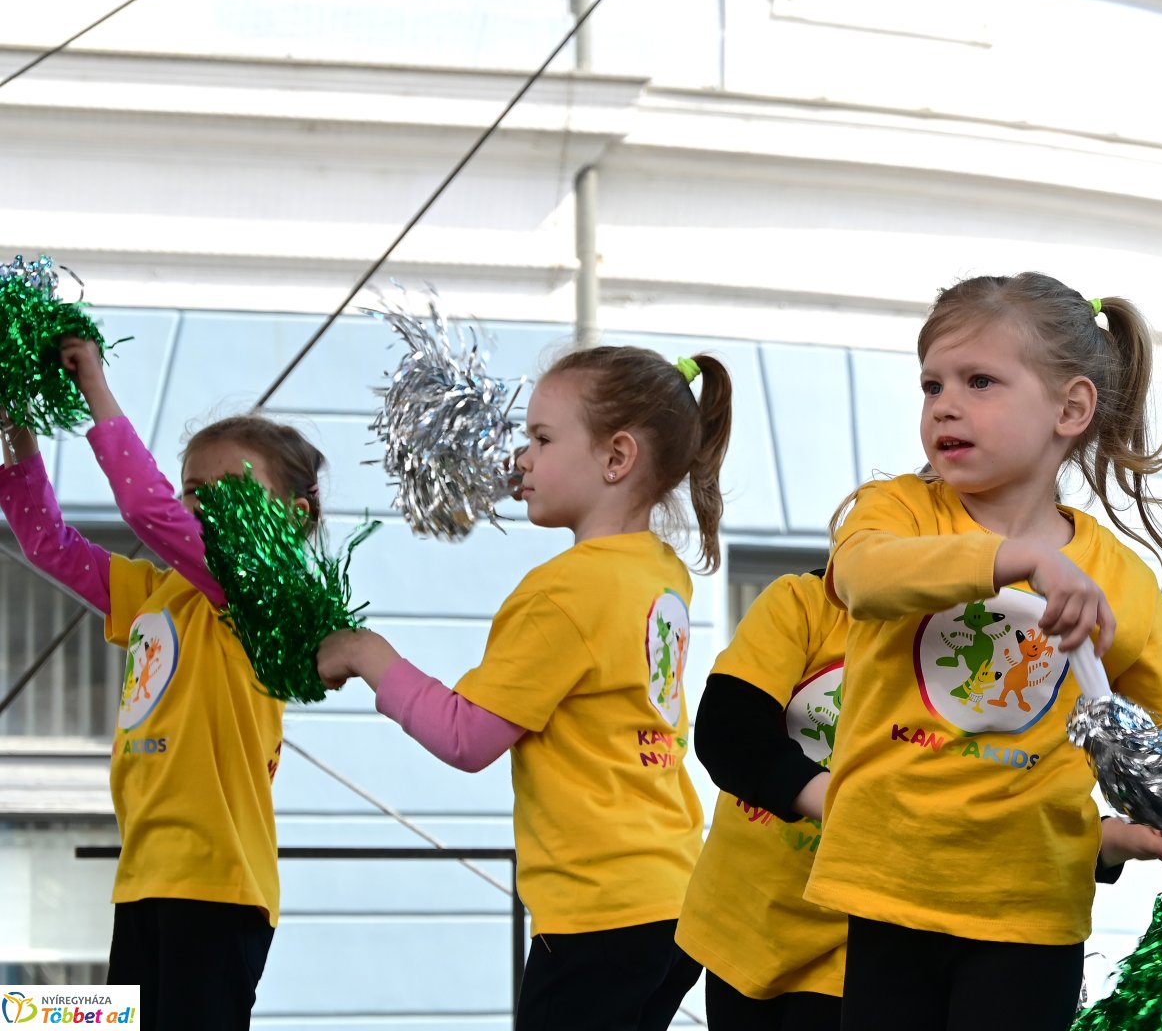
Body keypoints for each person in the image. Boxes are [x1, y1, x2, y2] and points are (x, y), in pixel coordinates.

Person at [806, 273, 1162, 1031]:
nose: (944, 403)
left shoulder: (1119, 576)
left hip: (1032, 912)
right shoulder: (898, 511)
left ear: (1070, 408)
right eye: (931, 384)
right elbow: (861, 577)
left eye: (980, 380)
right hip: (890, 889)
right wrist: (1015, 562)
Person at [318, 347, 732, 1031]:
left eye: (542, 439)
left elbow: (468, 736)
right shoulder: (658, 571)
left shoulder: (565, 592)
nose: (521, 458)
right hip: (674, 897)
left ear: (616, 458)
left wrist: (369, 656)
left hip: (598, 911)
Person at [677, 568, 1162, 1031]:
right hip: (746, 926)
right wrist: (855, 806)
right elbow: (729, 731)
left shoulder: (1008, 638)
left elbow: (990, 817)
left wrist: (1110, 839)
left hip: (864, 948)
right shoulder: (809, 603)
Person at [0, 337, 314, 1029]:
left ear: (294, 517)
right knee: (81, 1020)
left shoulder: (257, 593)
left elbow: (147, 513)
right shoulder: (158, 594)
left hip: (218, 887)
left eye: (226, 492)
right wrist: (14, 418)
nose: (197, 507)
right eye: (191, 491)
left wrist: (94, 384)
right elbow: (46, 541)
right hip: (144, 878)